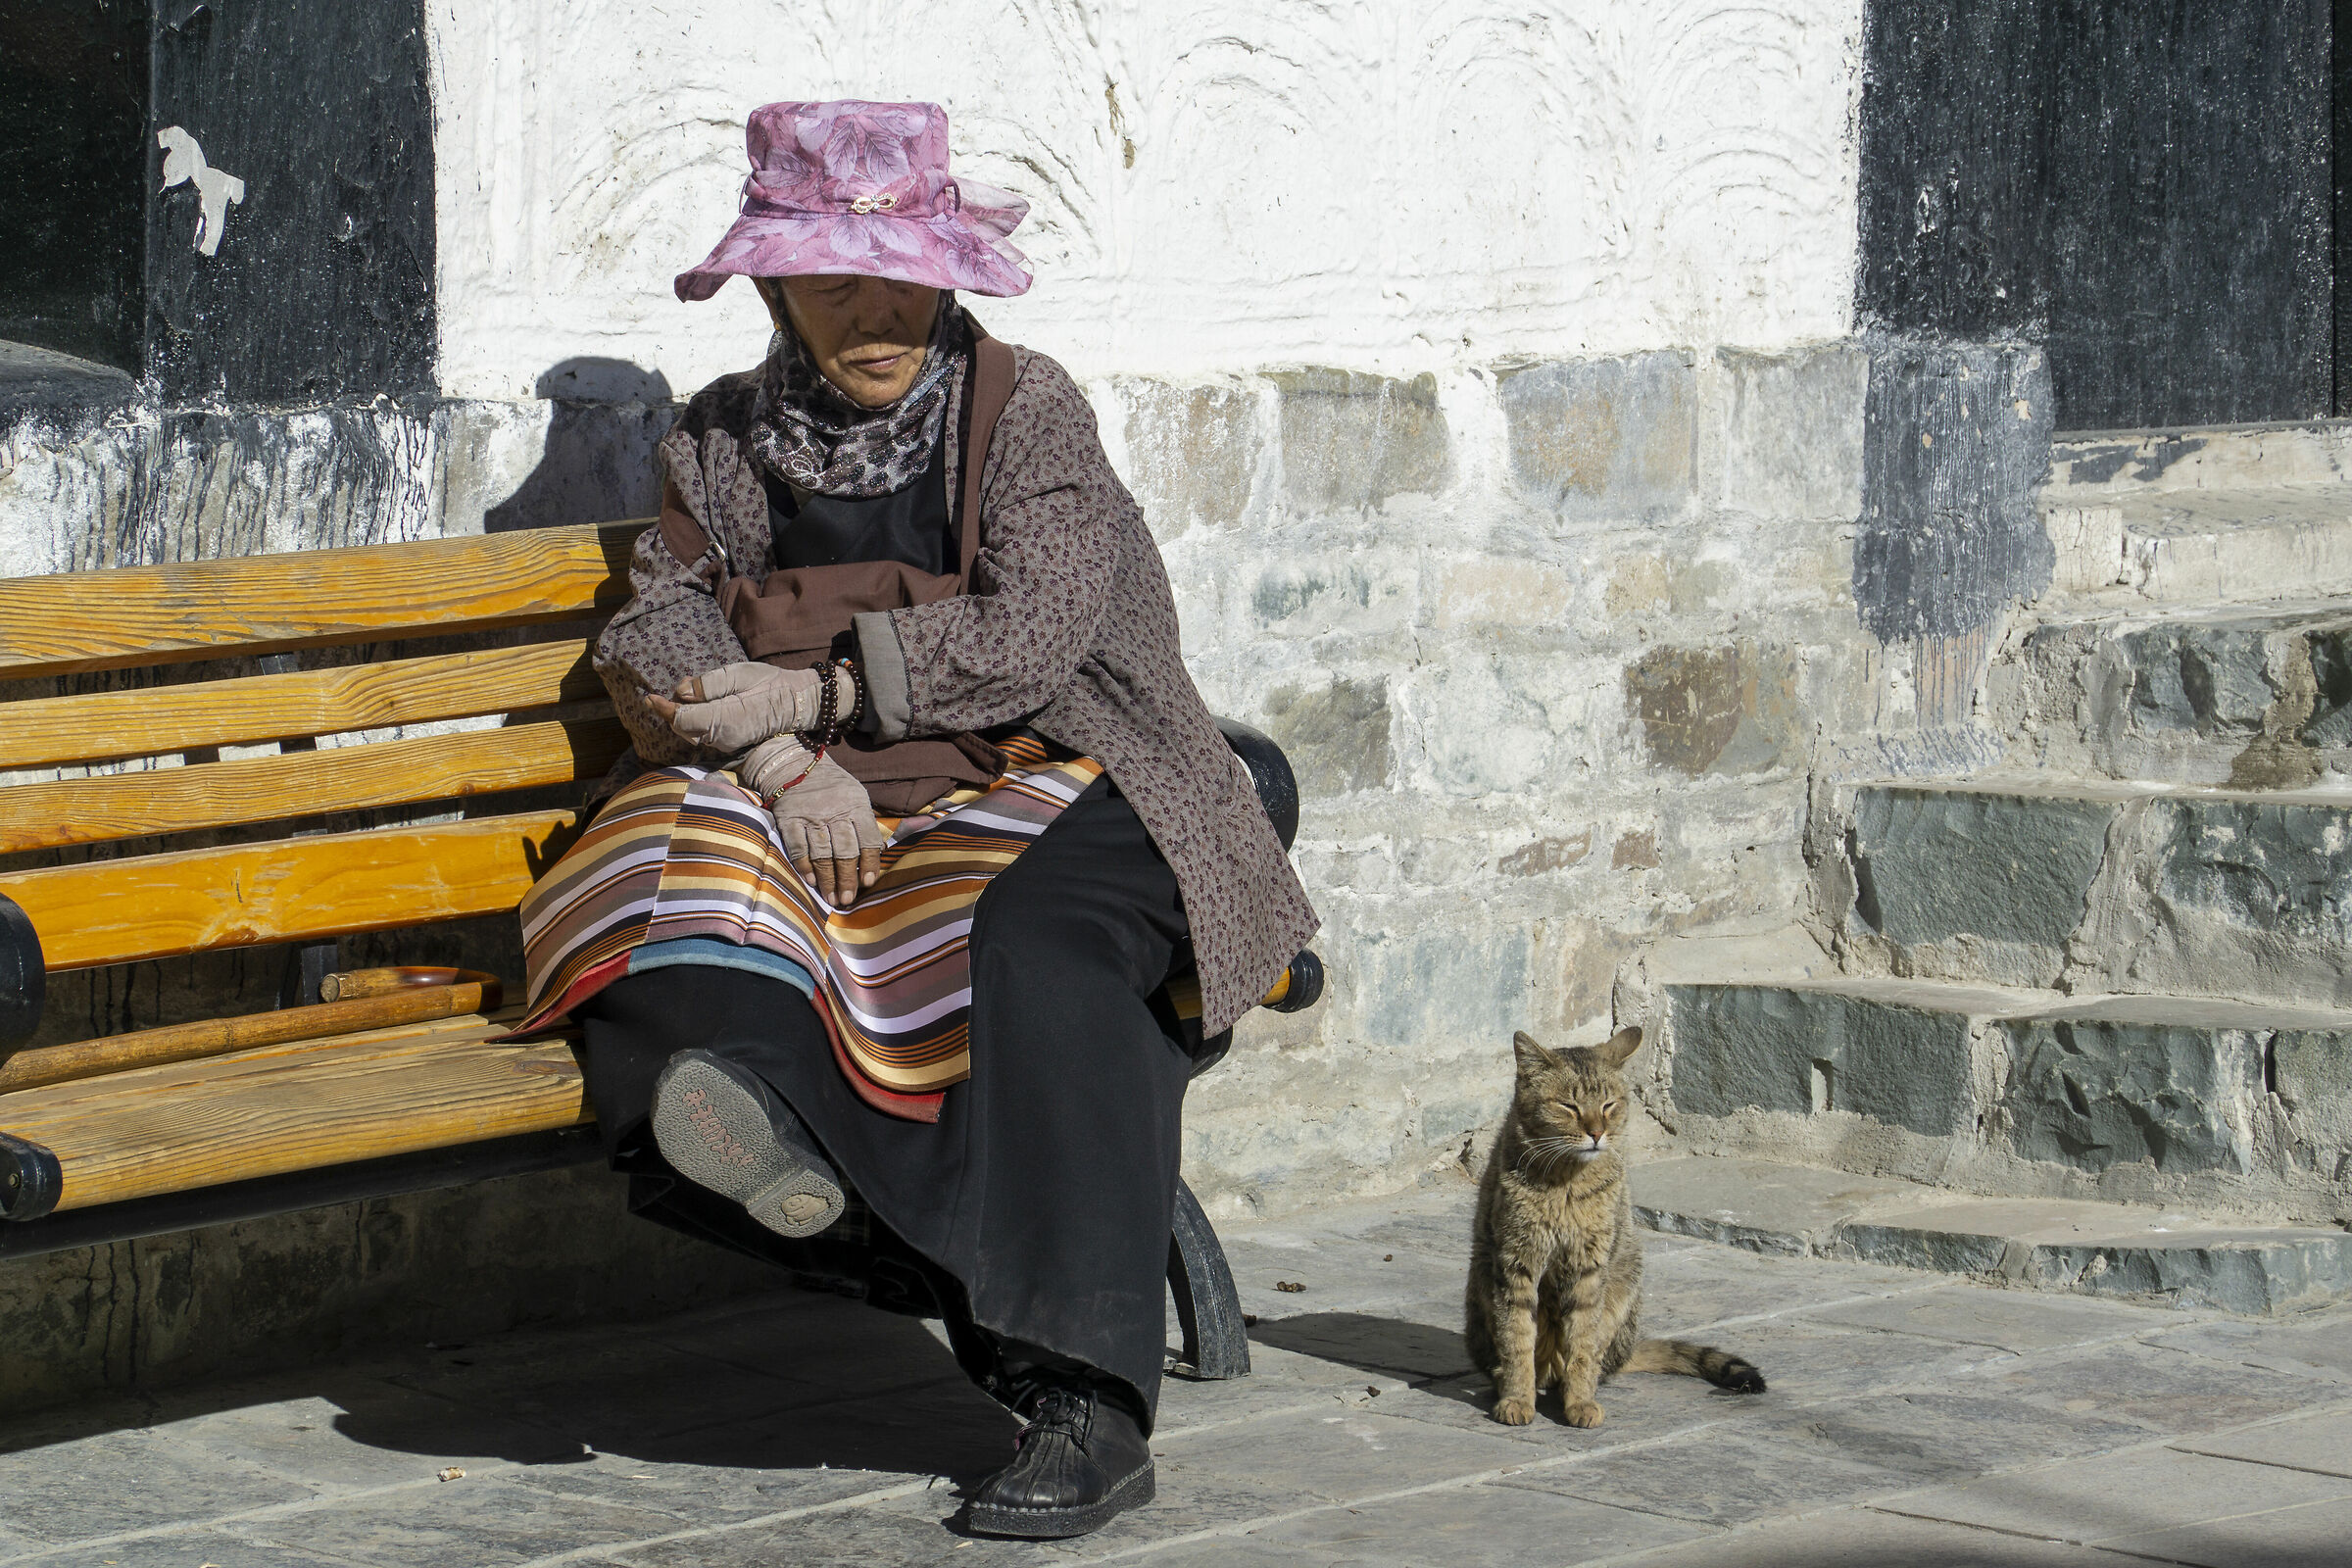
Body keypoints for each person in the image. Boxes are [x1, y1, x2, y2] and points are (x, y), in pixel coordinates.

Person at [519, 100, 1317, 1539]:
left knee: (1038, 952)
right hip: (824, 789)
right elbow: (657, 632)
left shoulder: (1028, 413)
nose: (875, 313)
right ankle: (829, 1190)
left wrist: (814, 692)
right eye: (835, 283)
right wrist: (780, 763)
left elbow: (1036, 633)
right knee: (655, 901)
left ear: (946, 276)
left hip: (1069, 762)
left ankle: (1082, 1400)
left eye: (900, 278)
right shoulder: (721, 441)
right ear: (776, 291)